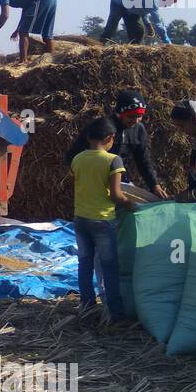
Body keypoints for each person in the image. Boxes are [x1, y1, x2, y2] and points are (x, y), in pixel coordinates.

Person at [70, 116, 136, 324]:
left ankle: (87, 306)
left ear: (88, 137)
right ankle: (115, 314)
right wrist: (130, 204)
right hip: (103, 220)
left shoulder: (78, 159)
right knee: (109, 267)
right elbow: (116, 194)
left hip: (80, 218)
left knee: (84, 264)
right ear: (110, 138)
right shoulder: (113, 160)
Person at [64, 89, 167, 199]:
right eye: (131, 116)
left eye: (139, 116)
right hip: (98, 181)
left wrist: (155, 185)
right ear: (120, 113)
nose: (136, 120)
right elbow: (72, 156)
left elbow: (143, 160)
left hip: (121, 181)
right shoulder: (103, 127)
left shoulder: (138, 130)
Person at [102, 0, 180, 44]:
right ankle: (101, 42)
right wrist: (167, 42)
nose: (168, 6)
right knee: (112, 26)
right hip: (118, 2)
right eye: (169, 3)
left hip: (132, 8)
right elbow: (159, 23)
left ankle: (132, 50)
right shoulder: (154, 0)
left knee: (139, 31)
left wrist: (148, 25)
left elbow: (142, 10)